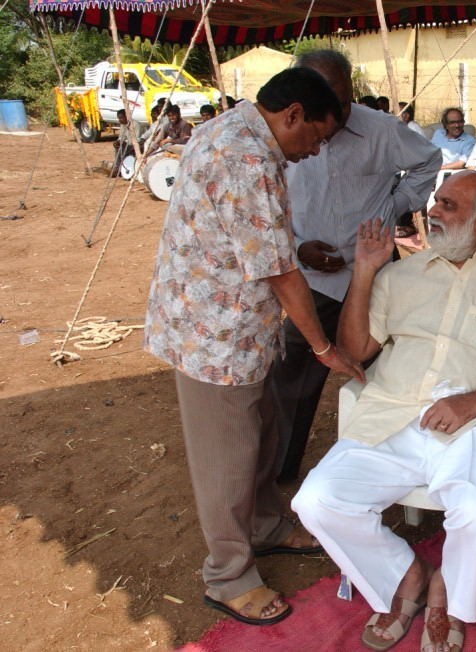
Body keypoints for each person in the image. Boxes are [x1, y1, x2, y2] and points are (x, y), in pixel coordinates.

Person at [292, 171, 476, 652]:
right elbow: (355, 349)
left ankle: (446, 589)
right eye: (436, 202)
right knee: (316, 500)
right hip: (392, 413)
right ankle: (408, 578)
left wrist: (474, 402)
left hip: (473, 424)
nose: (434, 212)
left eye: (448, 205)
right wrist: (365, 270)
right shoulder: (398, 275)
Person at [143, 67, 363, 626]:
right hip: (216, 340)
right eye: (313, 137)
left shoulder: (233, 131)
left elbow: (248, 232)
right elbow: (282, 277)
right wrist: (321, 347)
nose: (313, 151)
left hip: (232, 328)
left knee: (261, 435)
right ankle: (228, 574)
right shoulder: (246, 158)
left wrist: (294, 246)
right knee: (229, 462)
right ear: (292, 114)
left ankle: (265, 527)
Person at [271, 50, 442, 483]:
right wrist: (295, 248)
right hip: (313, 275)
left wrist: (396, 206)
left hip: (377, 269)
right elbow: (270, 205)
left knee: (389, 369)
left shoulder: (380, 129)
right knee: (296, 371)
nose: (340, 113)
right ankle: (279, 470)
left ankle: (391, 464)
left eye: (346, 101)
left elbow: (428, 161)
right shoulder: (280, 137)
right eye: (330, 102)